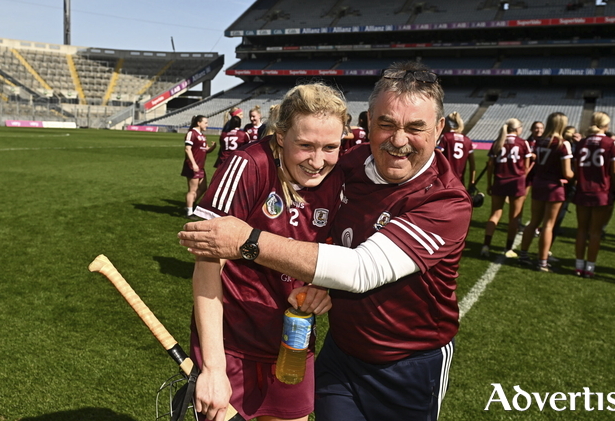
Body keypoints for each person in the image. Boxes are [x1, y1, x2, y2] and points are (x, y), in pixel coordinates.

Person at [179, 61, 472, 421]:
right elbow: (212, 261)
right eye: (386, 124)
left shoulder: (444, 199)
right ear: (367, 124)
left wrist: (248, 240)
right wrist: (212, 364)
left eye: (415, 127)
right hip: (329, 351)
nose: (398, 140)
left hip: (407, 363)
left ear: (439, 128)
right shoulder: (346, 167)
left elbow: (359, 269)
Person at [189, 83, 348, 421]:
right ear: (280, 137)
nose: (318, 161)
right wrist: (213, 367)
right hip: (231, 347)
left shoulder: (341, 179)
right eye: (305, 145)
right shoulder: (247, 167)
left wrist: (322, 286)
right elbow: (206, 267)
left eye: (330, 147)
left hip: (294, 344)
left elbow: (339, 248)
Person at [518, 112, 574, 272]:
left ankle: (523, 254)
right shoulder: (562, 144)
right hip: (554, 187)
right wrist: (575, 175)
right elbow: (567, 173)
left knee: (534, 221)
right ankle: (542, 261)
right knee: (548, 225)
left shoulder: (539, 142)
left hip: (538, 184)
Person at [572, 113, 615, 278]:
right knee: (595, 232)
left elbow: (575, 168)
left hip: (583, 189)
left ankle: (578, 265)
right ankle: (590, 268)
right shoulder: (610, 143)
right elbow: (614, 170)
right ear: (606, 126)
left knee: (581, 230)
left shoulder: (581, 143)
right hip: (601, 191)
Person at [480, 118, 531, 258]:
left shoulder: (498, 142)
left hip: (499, 181)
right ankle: (508, 249)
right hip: (517, 182)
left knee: (495, 214)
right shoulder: (523, 143)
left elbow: (490, 166)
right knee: (514, 218)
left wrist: (490, 183)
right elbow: (525, 168)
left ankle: (486, 246)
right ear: (517, 129)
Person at [181, 115, 215, 218]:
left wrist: (212, 148)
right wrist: (194, 163)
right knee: (192, 190)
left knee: (203, 187)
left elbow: (204, 150)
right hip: (193, 166)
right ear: (198, 123)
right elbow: (187, 149)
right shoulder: (192, 133)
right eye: (205, 123)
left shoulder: (202, 135)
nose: (207, 125)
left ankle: (189, 205)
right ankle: (189, 212)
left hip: (201, 166)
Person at [437, 111, 476, 187]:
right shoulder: (467, 140)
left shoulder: (445, 137)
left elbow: (436, 154)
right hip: (460, 183)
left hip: (444, 182)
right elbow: (472, 165)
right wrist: (472, 182)